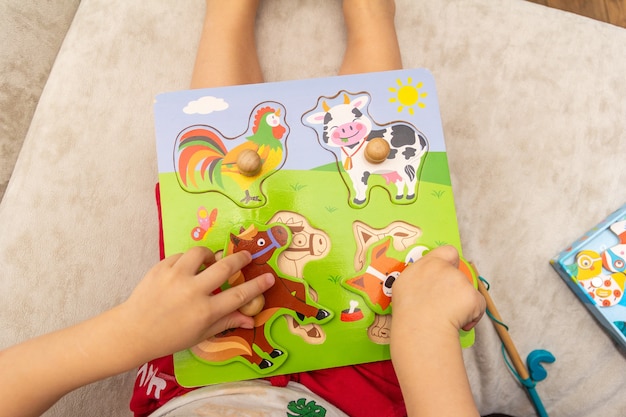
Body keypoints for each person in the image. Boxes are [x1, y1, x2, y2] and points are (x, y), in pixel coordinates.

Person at [0, 1, 489, 417]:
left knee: (210, 227)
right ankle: (372, 15)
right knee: (347, 173)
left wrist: (129, 333)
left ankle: (228, 14)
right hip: (362, 390)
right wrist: (425, 337)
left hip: (194, 365)